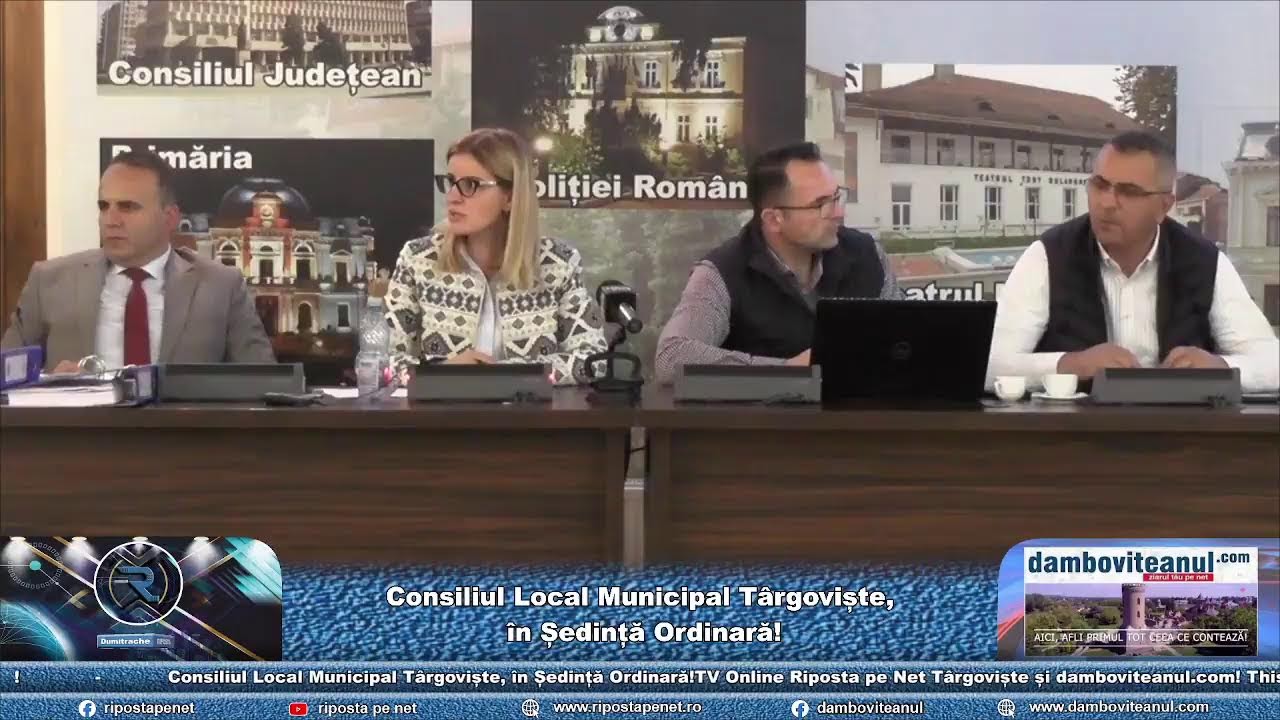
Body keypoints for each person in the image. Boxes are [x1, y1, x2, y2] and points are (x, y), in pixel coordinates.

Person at [987, 129, 1279, 393]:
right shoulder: (1048, 255)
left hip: (1180, 428)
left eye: (1128, 192)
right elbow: (988, 363)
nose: (1106, 203)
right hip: (1076, 429)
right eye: (1100, 185)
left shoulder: (1205, 260)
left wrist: (1220, 367)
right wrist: (1071, 364)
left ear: (1164, 206)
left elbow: (1272, 364)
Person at [2, 150, 275, 371]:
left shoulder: (221, 286)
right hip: (80, 425)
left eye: (128, 207)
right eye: (104, 206)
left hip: (180, 425)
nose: (111, 220)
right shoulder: (49, 281)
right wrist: (49, 384)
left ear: (169, 217)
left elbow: (264, 383)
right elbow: (5, 379)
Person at [655, 141, 901, 384]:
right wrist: (787, 370)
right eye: (821, 204)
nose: (839, 213)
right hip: (769, 410)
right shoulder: (722, 272)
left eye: (837, 197)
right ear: (774, 219)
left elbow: (905, 337)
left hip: (864, 407)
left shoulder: (867, 254)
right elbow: (671, 357)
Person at [384, 128, 608, 385]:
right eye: (451, 182)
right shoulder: (418, 259)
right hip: (444, 411)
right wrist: (445, 371)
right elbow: (380, 361)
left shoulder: (558, 263)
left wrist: (499, 375)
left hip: (528, 411)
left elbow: (595, 360)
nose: (453, 197)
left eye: (470, 185)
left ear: (510, 198)